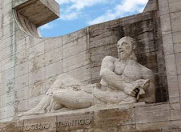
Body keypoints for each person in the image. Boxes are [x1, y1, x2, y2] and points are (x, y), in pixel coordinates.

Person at [20, 36, 155, 116]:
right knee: (62, 77)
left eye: (124, 44)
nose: (120, 47)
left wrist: (132, 95)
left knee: (56, 96)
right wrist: (126, 87)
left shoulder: (145, 72)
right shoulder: (111, 60)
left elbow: (150, 99)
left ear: (133, 47)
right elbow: (104, 73)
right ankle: (40, 108)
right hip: (94, 90)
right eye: (118, 45)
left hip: (98, 99)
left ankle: (57, 105)